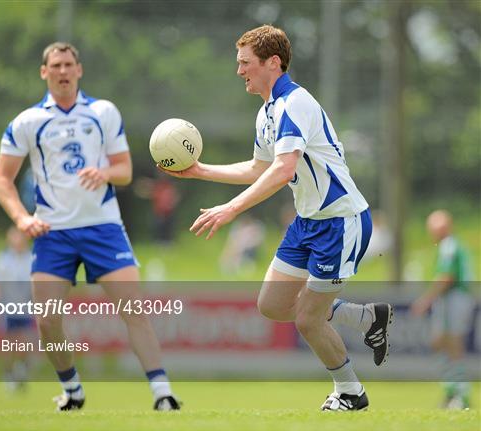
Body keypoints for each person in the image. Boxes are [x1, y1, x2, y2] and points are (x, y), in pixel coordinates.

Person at [161, 25, 392, 411]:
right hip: (307, 223)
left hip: (341, 222)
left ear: (273, 62)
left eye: (245, 63)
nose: (239, 72)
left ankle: (352, 393)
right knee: (271, 304)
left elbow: (284, 170)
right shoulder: (267, 111)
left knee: (307, 319)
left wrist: (230, 209)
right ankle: (366, 317)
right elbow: (258, 168)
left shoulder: (294, 103)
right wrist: (200, 171)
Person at [0, 42, 180, 411]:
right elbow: (2, 179)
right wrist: (21, 218)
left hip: (103, 227)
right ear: (44, 72)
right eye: (55, 65)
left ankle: (163, 394)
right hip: (52, 233)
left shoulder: (103, 112)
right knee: (47, 321)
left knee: (133, 310)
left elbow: (124, 170)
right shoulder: (27, 122)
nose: (63, 71)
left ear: (79, 70)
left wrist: (105, 171)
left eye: (68, 64)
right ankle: (73, 390)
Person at [411, 210, 474, 409]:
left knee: (452, 343)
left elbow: (446, 277)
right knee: (441, 342)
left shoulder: (449, 246)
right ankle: (451, 390)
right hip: (451, 299)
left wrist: (426, 300)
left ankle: (460, 394)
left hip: (453, 298)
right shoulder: (450, 245)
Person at [0, 226, 35, 391]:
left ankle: (21, 370)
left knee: (24, 342)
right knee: (9, 343)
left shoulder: (31, 258)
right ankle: (9, 375)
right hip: (8, 308)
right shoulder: (2, 259)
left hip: (26, 308)